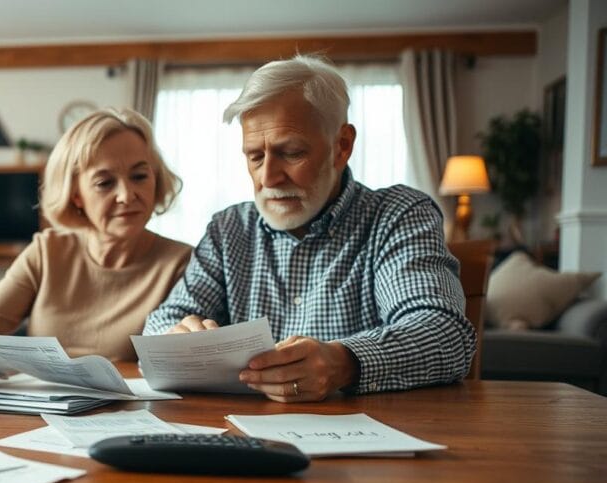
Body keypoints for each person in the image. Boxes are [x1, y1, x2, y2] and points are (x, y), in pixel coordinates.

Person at [143, 55, 475, 402]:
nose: (268, 178)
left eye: (291, 153)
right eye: (255, 157)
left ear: (342, 146)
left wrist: (345, 362)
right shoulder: (228, 229)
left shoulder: (398, 216)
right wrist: (176, 335)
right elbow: (165, 319)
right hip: (243, 439)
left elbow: (445, 334)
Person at [0, 107, 192, 390]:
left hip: (130, 415)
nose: (126, 195)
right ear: (76, 195)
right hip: (40, 413)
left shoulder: (182, 263)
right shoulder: (48, 251)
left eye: (140, 176)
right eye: (105, 183)